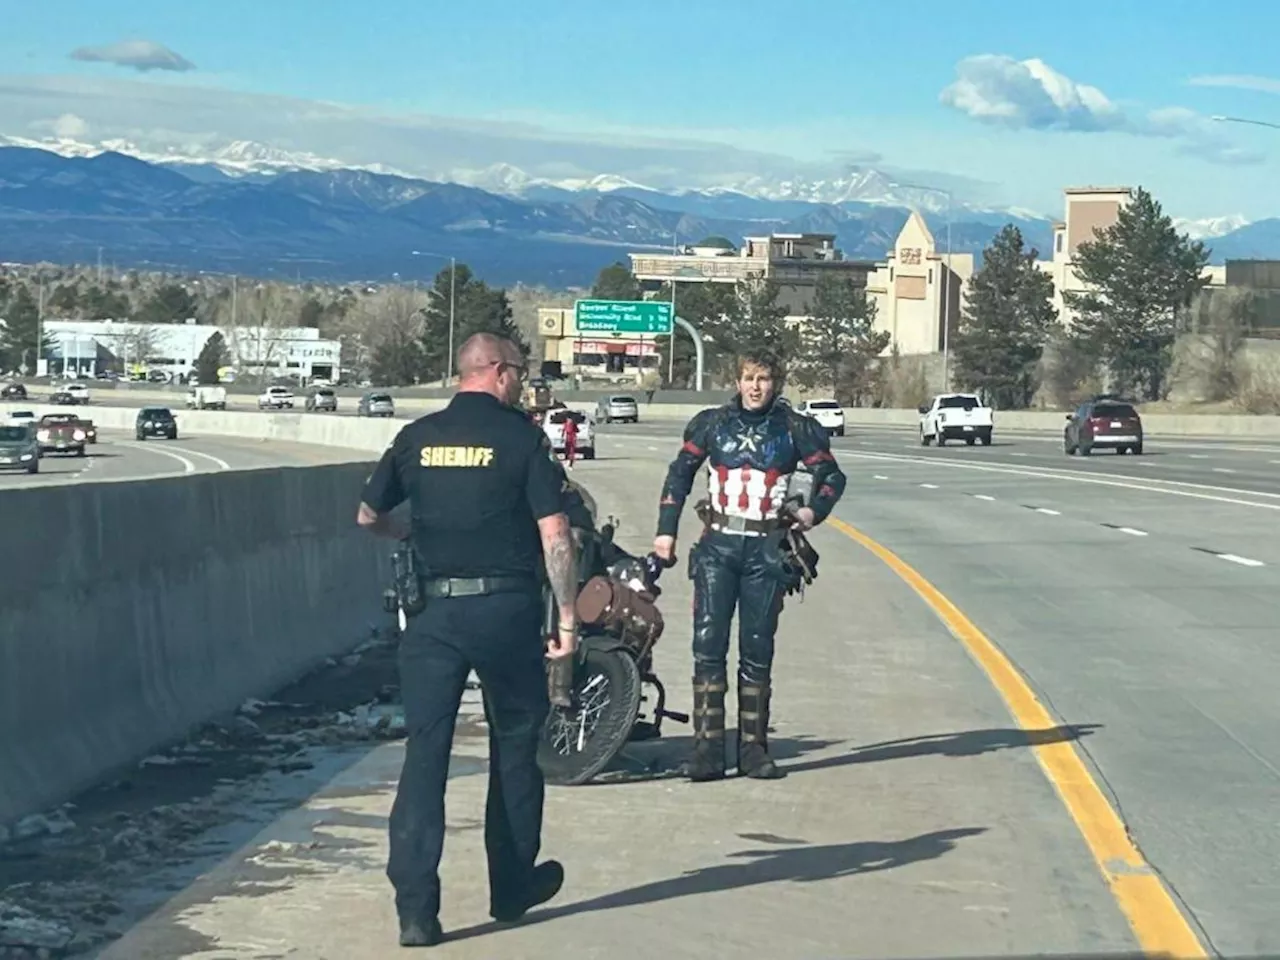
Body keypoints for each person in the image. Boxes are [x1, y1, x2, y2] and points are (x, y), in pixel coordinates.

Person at [356, 332, 581, 947]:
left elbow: (367, 516)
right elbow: (556, 534)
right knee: (514, 748)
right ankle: (510, 888)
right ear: (500, 372)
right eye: (520, 372)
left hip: (432, 616)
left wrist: (407, 530)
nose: (522, 383)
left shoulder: (416, 437)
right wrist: (566, 621)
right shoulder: (521, 438)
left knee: (425, 756)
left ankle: (416, 911)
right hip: (504, 611)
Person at [652, 350, 846, 782]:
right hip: (717, 547)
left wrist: (812, 513)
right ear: (736, 381)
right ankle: (707, 749)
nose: (755, 386)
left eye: (764, 378)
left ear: (777, 381)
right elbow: (679, 474)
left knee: (757, 649)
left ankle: (754, 749)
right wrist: (666, 531)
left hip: (766, 550)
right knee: (708, 645)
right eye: (748, 377)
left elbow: (832, 477)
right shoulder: (711, 424)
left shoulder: (796, 429)